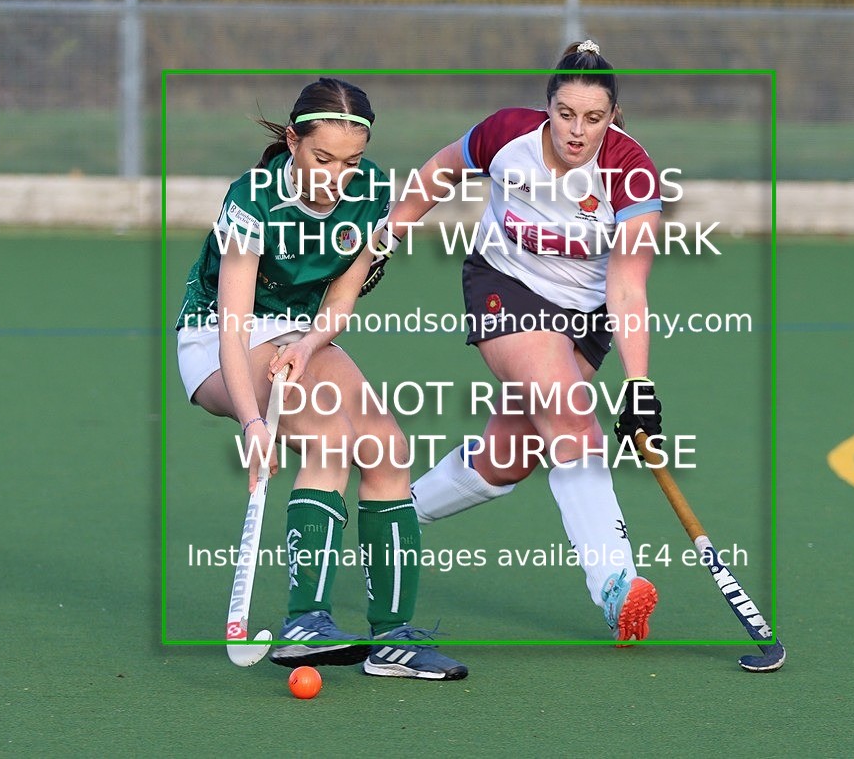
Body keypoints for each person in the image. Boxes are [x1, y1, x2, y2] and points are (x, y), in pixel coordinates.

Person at [370, 42, 664, 641]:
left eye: (593, 118)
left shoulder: (630, 173)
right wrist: (390, 232)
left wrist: (638, 384)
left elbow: (627, 285)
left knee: (506, 460)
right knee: (572, 416)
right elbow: (443, 168)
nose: (577, 131)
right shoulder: (507, 134)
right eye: (565, 113)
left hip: (587, 314)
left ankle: (394, 515)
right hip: (505, 284)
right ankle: (615, 582)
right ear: (546, 106)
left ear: (613, 117)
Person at [175, 77, 467, 680]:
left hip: (301, 330)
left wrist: (309, 344)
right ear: (293, 142)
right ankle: (306, 621)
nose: (337, 176)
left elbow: (342, 295)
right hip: (220, 338)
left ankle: (392, 638)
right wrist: (253, 425)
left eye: (350, 162)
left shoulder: (370, 190)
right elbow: (232, 324)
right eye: (323, 159)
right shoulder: (253, 198)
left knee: (387, 446)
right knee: (329, 437)